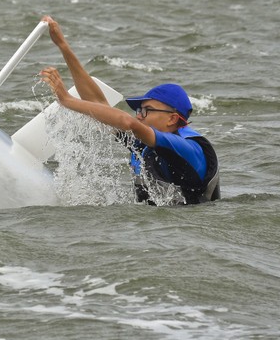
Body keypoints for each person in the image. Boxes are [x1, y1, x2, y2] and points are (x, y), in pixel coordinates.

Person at [38, 16, 220, 205]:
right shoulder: (145, 143)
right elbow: (99, 104)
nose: (138, 116)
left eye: (146, 110)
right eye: (138, 110)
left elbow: (128, 123)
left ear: (172, 119)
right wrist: (63, 46)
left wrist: (67, 100)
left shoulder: (187, 148)